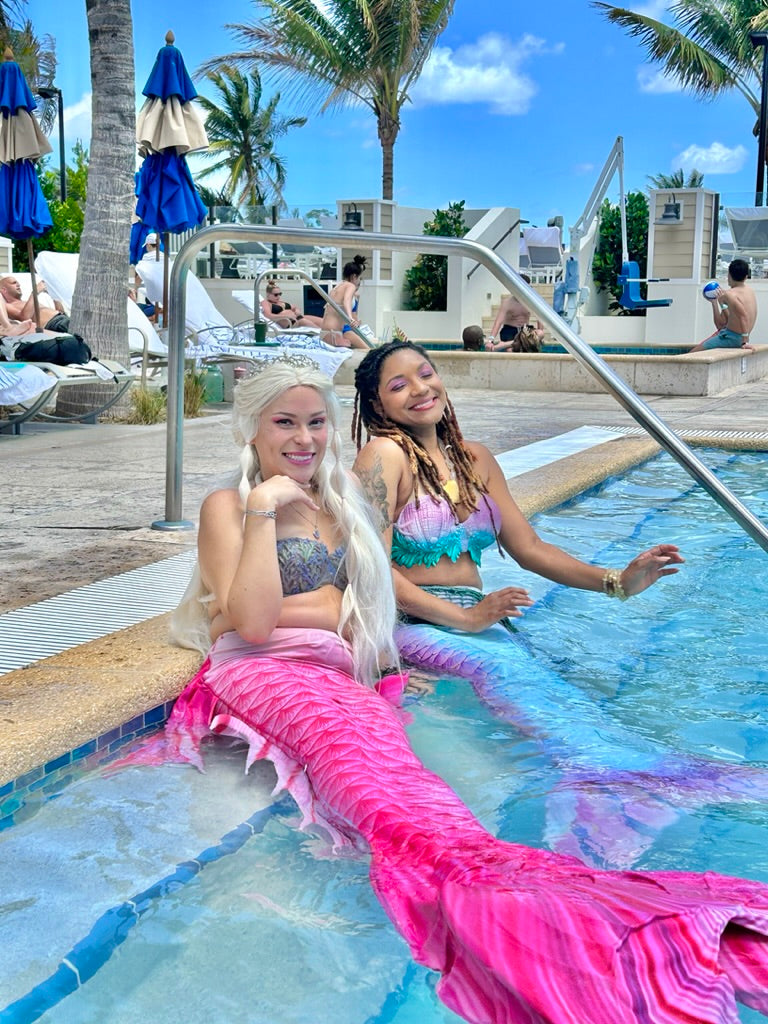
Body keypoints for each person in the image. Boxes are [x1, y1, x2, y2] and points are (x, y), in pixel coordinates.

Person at [125, 353, 768, 1024]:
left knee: (420, 798)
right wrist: (263, 508)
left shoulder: (338, 502)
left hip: (337, 677)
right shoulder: (233, 505)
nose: (303, 439)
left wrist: (389, 675)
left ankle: (544, 892)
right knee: (394, 806)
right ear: (250, 430)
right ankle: (524, 907)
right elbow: (254, 624)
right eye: (284, 423)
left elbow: (364, 610)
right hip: (266, 672)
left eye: (315, 422)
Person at [688, 258, 757, 352]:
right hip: (735, 336)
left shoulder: (730, 294)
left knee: (692, 354)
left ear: (729, 275)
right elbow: (730, 320)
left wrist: (745, 342)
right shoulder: (750, 291)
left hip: (731, 338)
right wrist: (719, 303)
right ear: (746, 277)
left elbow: (741, 316)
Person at [320, 254, 375, 349]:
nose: (359, 281)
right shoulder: (350, 286)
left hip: (325, 333)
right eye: (359, 278)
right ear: (354, 276)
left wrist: (354, 319)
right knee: (369, 349)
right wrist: (350, 319)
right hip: (335, 334)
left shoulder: (336, 288)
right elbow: (346, 301)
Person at [486, 274, 544, 351]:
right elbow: (498, 322)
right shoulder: (507, 303)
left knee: (540, 333)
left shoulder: (531, 302)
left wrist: (539, 339)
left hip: (525, 330)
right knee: (510, 351)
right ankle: (514, 343)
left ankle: (503, 345)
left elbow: (540, 318)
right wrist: (491, 340)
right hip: (510, 330)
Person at [0, 276, 70, 332]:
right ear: (4, 290)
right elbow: (25, 318)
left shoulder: (28, 302)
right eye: (14, 283)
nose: (18, 285)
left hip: (63, 318)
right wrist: (35, 292)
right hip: (54, 324)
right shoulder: (8, 306)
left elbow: (61, 311)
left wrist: (53, 296)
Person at [260, 280, 324, 329]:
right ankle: (325, 339)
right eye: (276, 295)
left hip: (298, 318)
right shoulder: (266, 303)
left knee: (323, 322)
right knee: (318, 330)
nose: (278, 297)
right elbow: (268, 315)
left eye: (280, 294)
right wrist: (285, 316)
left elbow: (294, 307)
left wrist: (296, 310)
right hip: (291, 323)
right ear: (268, 294)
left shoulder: (280, 302)